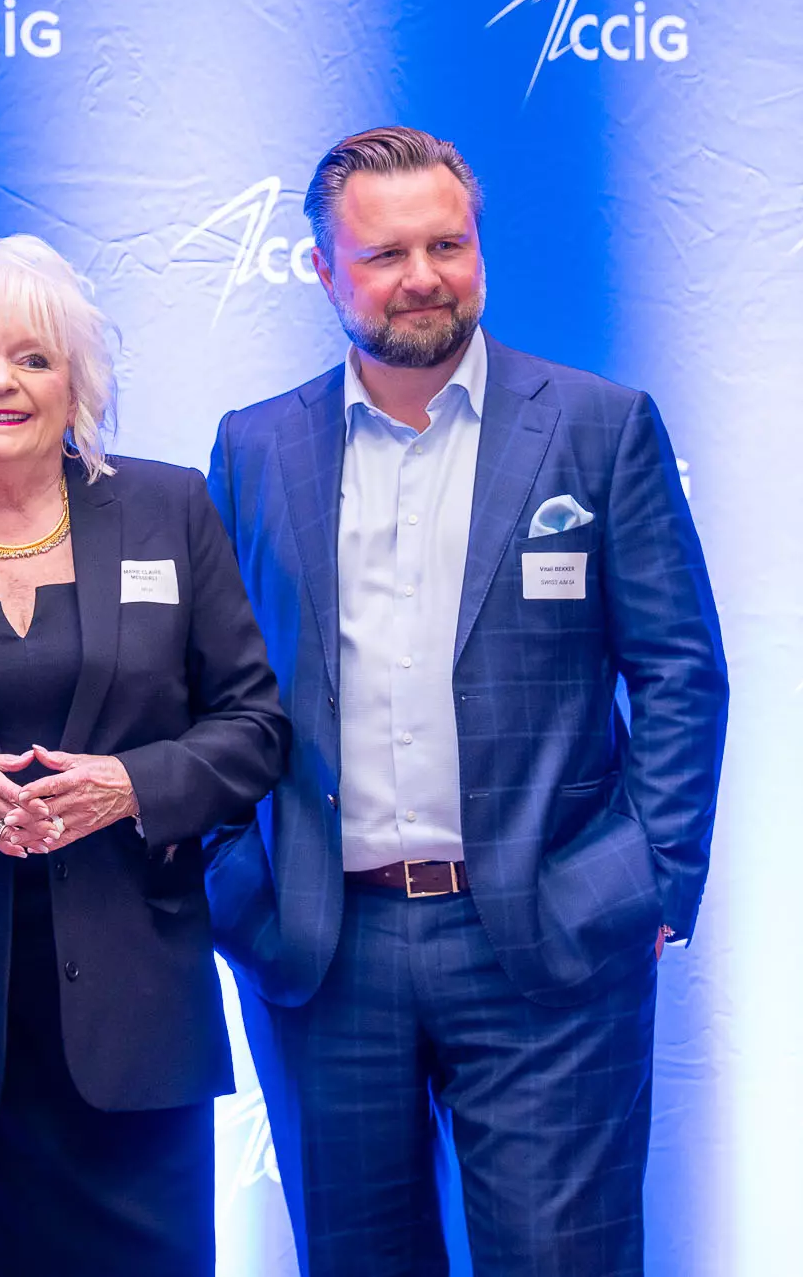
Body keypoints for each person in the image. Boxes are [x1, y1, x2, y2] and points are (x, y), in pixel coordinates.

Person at [206, 126, 729, 1277]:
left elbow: (679, 668)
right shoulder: (254, 447)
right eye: (385, 253)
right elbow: (210, 686)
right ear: (322, 270)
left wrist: (646, 875)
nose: (422, 276)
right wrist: (232, 885)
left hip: (548, 938)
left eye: (447, 244)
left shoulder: (598, 426)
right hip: (320, 947)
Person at [0, 234, 290, 1276]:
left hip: (139, 1014)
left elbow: (254, 727)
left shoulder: (170, 509)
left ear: (75, 383)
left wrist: (131, 784)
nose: (1, 381)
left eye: (32, 358)